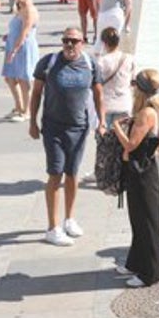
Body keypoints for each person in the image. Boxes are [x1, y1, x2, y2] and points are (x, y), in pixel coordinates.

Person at [29, 27, 104, 247]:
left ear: (83, 42)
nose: (69, 45)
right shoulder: (49, 63)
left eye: (74, 41)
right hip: (53, 128)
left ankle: (69, 219)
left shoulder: (90, 65)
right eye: (66, 41)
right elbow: (36, 94)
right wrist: (32, 122)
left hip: (79, 127)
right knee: (55, 173)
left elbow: (98, 94)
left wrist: (101, 122)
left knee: (72, 174)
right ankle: (52, 228)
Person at [108, 69, 159, 287]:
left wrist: (116, 126)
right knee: (138, 221)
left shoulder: (147, 113)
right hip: (140, 172)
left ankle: (150, 274)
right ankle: (134, 264)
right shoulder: (147, 109)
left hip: (143, 174)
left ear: (140, 89)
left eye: (135, 85)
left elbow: (130, 145)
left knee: (147, 224)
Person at [1, 0, 40, 122]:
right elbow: (16, 28)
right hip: (13, 45)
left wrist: (14, 50)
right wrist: (9, 36)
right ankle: (18, 107)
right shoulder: (20, 9)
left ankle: (26, 111)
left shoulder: (30, 10)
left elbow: (25, 32)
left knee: (24, 80)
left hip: (23, 48)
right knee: (10, 77)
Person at [95, 28, 135, 126]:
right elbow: (133, 82)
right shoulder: (129, 59)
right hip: (124, 103)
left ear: (104, 43)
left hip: (106, 105)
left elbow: (96, 84)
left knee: (107, 139)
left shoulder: (101, 61)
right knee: (122, 138)